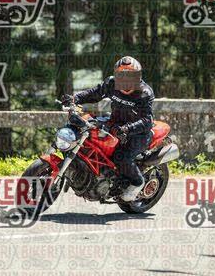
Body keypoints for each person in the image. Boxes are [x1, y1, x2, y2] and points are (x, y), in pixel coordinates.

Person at [60, 56, 154, 202]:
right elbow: (95, 93)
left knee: (121, 158)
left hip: (137, 133)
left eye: (130, 75)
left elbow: (147, 121)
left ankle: (137, 182)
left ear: (138, 76)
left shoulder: (144, 93)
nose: (126, 80)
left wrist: (127, 128)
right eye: (122, 75)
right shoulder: (111, 83)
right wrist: (75, 98)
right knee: (89, 138)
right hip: (114, 123)